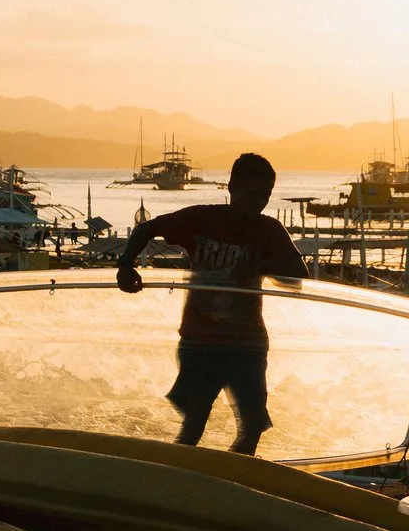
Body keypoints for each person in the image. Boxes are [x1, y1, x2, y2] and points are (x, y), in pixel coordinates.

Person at [117, 153, 306, 453]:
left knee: (252, 424)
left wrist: (262, 266)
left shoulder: (269, 230)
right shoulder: (202, 219)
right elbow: (146, 229)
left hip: (248, 343)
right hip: (199, 340)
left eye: (265, 196)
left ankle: (232, 477)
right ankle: (180, 479)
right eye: (251, 194)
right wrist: (126, 264)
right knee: (194, 423)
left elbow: (299, 276)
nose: (258, 203)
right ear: (231, 188)